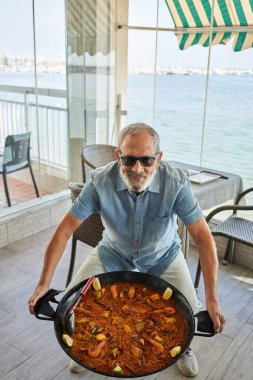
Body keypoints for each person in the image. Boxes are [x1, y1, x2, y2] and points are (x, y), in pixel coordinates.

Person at [29, 123, 226, 377]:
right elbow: (64, 231)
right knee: (72, 302)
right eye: (129, 159)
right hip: (113, 251)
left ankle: (184, 348)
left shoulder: (176, 182)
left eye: (146, 160)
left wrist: (211, 299)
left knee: (187, 308)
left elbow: (202, 237)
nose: (137, 169)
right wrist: (43, 284)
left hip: (164, 254)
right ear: (118, 156)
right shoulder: (99, 180)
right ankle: (81, 345)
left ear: (158, 158)